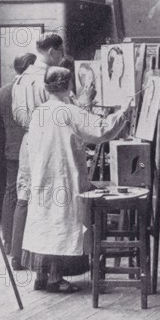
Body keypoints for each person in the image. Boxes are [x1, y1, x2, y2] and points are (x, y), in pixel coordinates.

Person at [21, 67, 133, 293]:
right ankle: (55, 278)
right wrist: (123, 112)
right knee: (61, 226)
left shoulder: (39, 112)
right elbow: (101, 130)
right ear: (70, 86)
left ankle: (41, 276)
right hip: (63, 177)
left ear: (46, 87)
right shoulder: (69, 112)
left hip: (42, 177)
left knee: (45, 225)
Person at [10, 33, 65, 271]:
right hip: (47, 141)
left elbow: (16, 113)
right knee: (47, 200)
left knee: (24, 197)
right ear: (52, 51)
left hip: (27, 141)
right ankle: (45, 265)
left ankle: (17, 255)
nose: (62, 57)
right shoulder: (50, 77)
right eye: (61, 52)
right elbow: (63, 112)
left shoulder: (21, 78)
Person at [0, 53, 36, 254]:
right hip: (29, 150)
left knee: (11, 193)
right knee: (28, 197)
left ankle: (9, 243)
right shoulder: (30, 90)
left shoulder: (1, 93)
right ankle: (24, 246)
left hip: (11, 149)